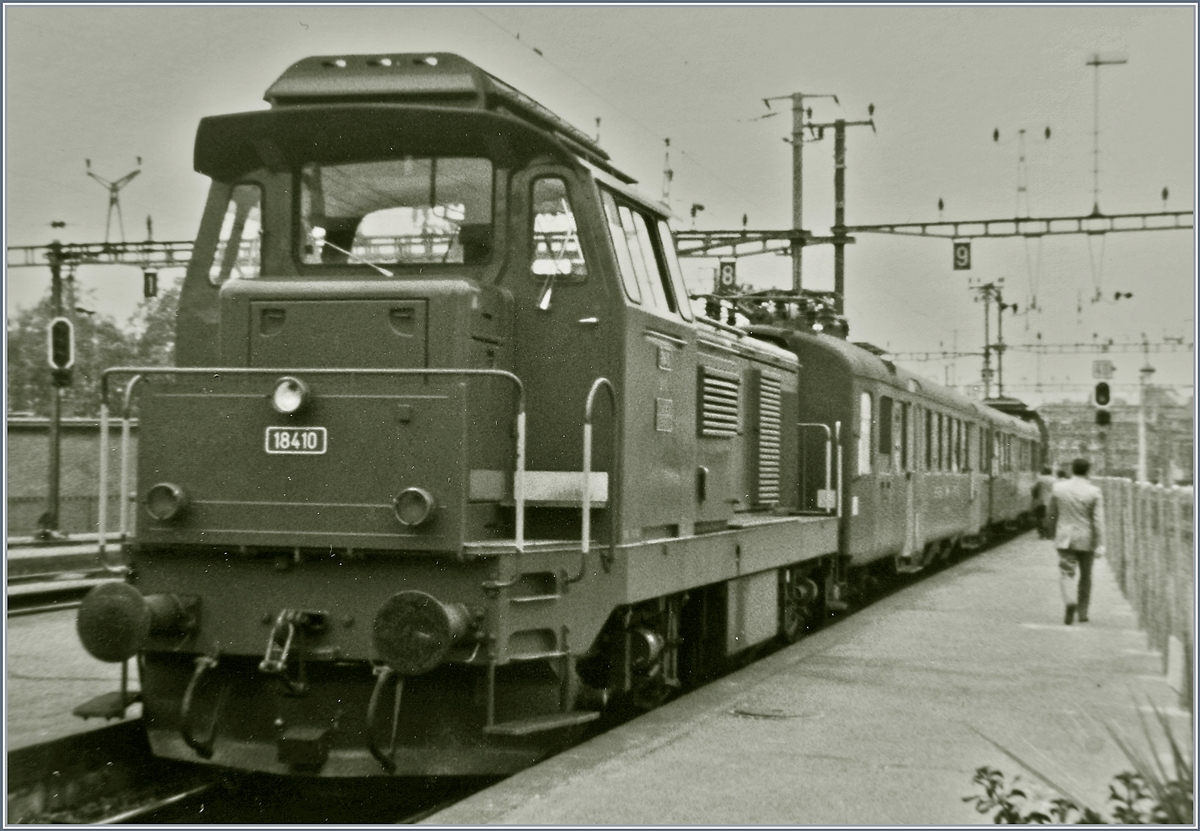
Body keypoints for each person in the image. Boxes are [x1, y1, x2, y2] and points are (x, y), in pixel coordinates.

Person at [1048, 457, 1106, 625]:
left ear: (1072, 469)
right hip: (1087, 540)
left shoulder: (1058, 488)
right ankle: (1083, 612)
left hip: (1065, 539)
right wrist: (1100, 543)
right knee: (1086, 576)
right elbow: (1098, 521)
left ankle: (1069, 601)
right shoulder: (1094, 491)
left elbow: (1051, 513)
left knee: (1066, 573)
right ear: (1088, 471)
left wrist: (1052, 533)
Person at [1032, 466, 1056, 538]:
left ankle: (1041, 533)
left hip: (1040, 501)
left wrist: (1034, 497)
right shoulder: (1054, 479)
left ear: (1044, 472)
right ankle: (1049, 532)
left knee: (1039, 517)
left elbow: (1033, 488)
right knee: (1051, 517)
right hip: (1051, 501)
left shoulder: (1040, 478)